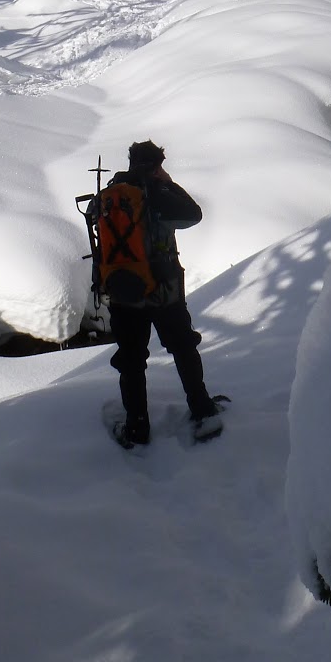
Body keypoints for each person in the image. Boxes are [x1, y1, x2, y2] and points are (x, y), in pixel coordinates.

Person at [105, 139, 222, 448]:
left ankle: (137, 428)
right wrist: (169, 184)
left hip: (123, 292)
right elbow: (193, 215)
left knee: (131, 360)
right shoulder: (157, 194)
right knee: (183, 347)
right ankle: (203, 410)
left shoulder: (110, 194)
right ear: (158, 165)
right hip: (163, 290)